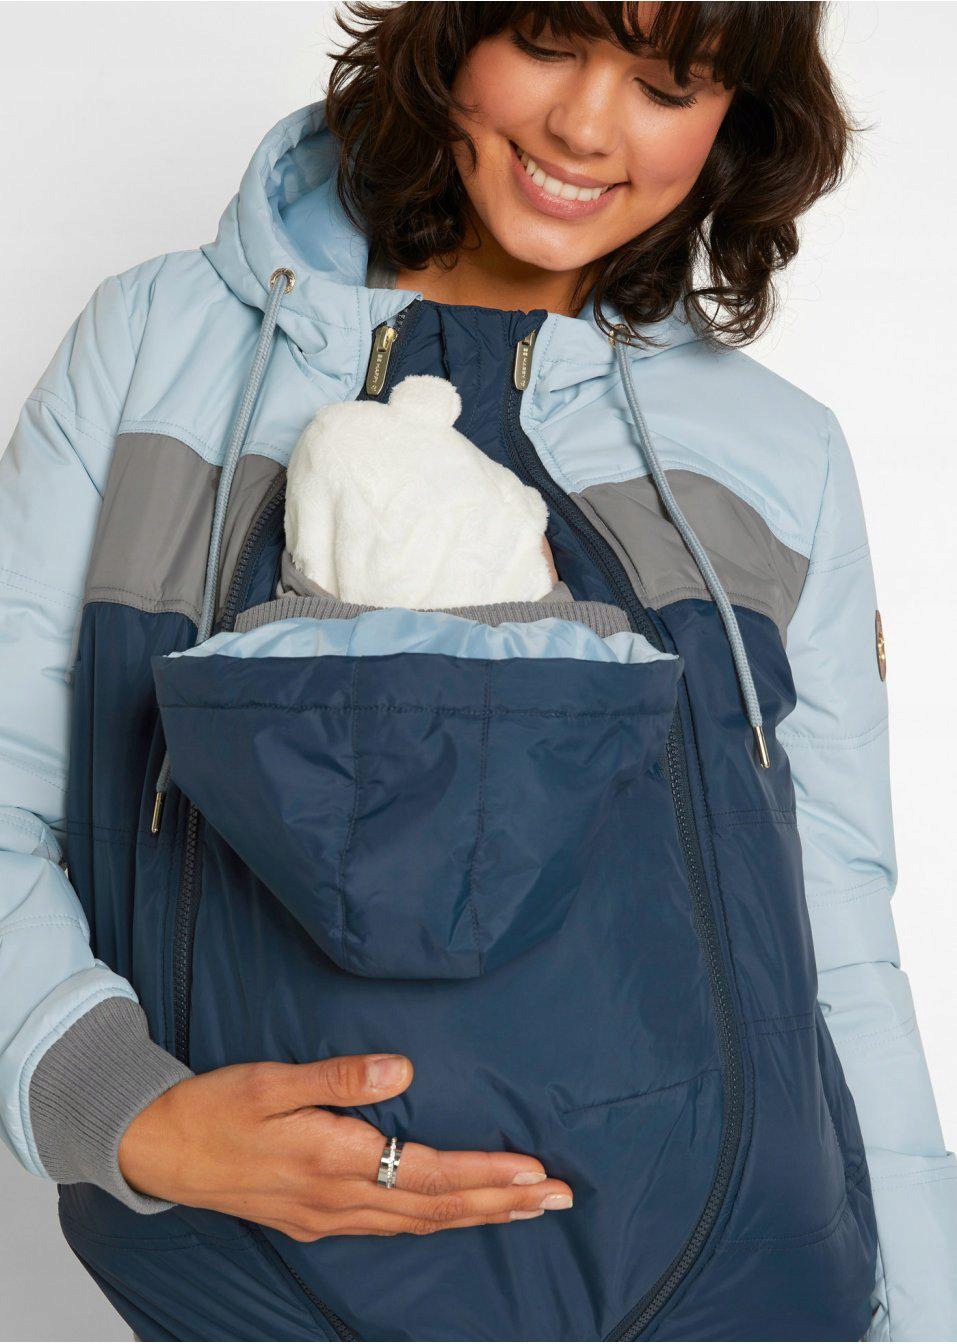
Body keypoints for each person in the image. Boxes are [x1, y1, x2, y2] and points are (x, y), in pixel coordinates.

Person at [0, 2, 954, 1340]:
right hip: (267, 1287)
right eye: (550, 43)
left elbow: (835, 923)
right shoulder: (160, 348)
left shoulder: (777, 449)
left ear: (734, 117)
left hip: (744, 1289)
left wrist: (925, 1310)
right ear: (451, 35)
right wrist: (120, 1107)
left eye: (668, 83)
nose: (585, 125)